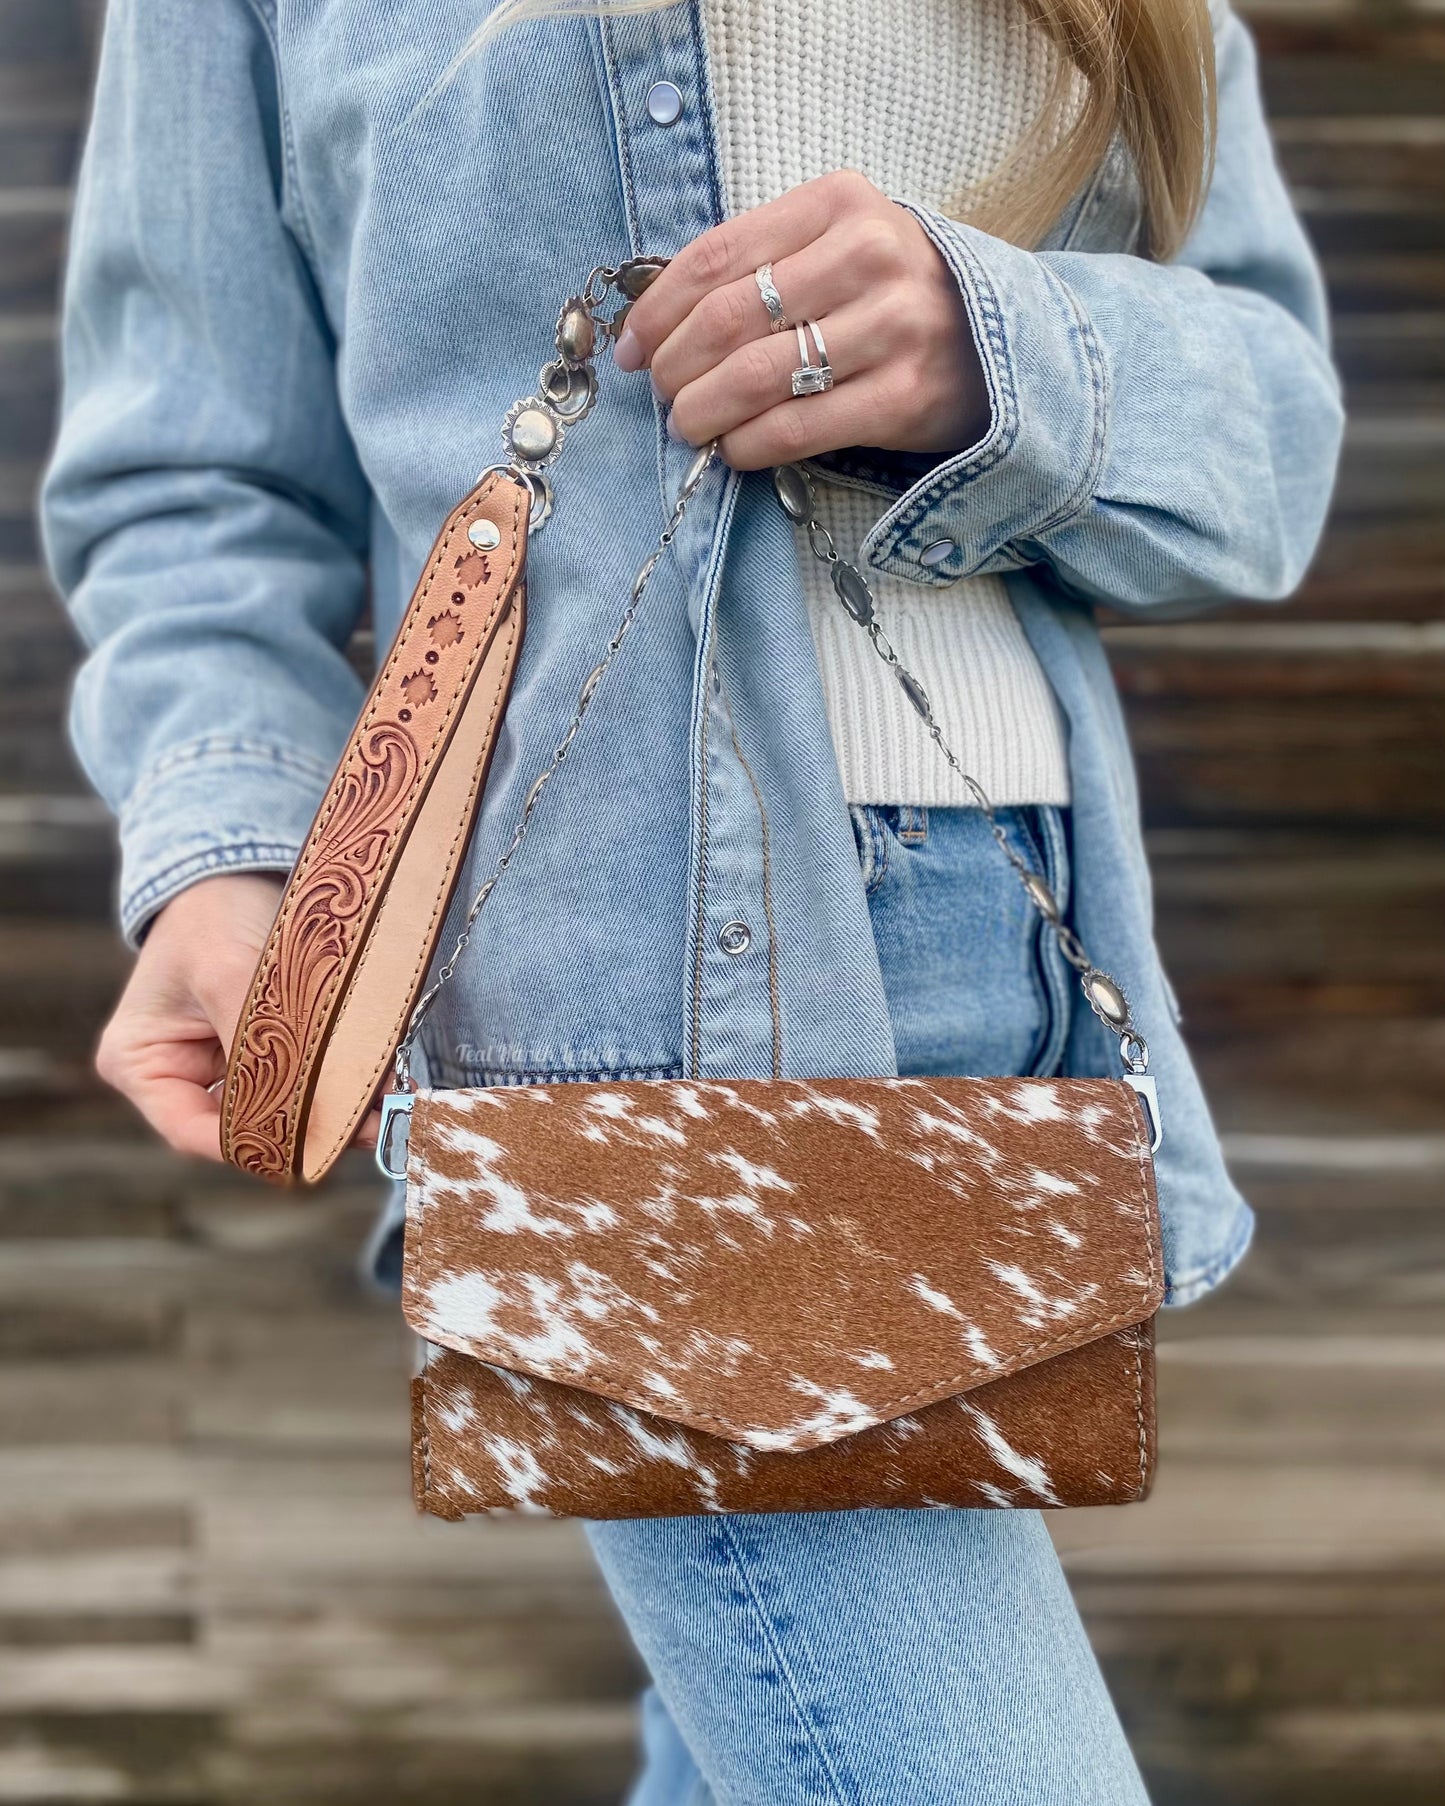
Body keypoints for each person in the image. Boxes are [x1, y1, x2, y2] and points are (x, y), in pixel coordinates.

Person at [42, 0, 1341, 1798]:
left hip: (1015, 954)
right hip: (623, 1003)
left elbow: (1275, 429)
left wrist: (998, 347)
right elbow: (190, 477)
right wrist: (230, 844)